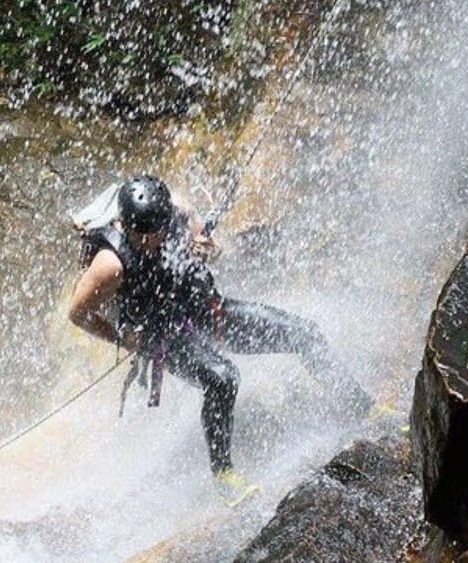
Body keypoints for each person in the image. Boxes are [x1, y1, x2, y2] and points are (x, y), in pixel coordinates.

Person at [67, 175, 372, 502]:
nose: (157, 238)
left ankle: (360, 406)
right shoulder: (110, 264)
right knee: (223, 378)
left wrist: (207, 247)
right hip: (161, 336)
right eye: (148, 236)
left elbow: (214, 248)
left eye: (160, 230)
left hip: (204, 309)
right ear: (130, 229)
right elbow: (78, 313)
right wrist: (125, 340)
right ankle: (223, 472)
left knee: (305, 333)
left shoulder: (177, 210)